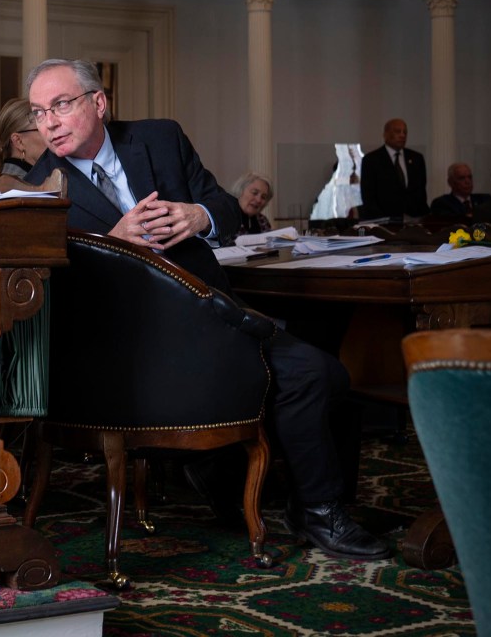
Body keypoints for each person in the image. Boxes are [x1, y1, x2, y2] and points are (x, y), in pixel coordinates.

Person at [22, 58, 389, 561]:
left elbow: (228, 207)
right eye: (40, 112)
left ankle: (261, 485)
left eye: (61, 105)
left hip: (214, 309)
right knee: (309, 374)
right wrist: (111, 244)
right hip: (135, 340)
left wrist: (198, 215)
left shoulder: (160, 138)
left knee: (329, 375)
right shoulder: (42, 187)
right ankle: (314, 509)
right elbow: (53, 287)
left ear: (98, 102)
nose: (50, 122)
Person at [359, 118, 429, 221]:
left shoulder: (416, 158)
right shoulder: (371, 160)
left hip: (413, 222)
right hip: (384, 222)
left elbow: (421, 192)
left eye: (405, 132)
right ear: (385, 134)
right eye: (397, 131)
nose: (402, 135)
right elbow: (368, 196)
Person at [0, 97, 47, 178]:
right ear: (18, 141)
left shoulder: (8, 179)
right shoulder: (24, 185)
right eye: (42, 130)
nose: (52, 135)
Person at [230, 172, 274, 241]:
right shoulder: (226, 217)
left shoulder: (262, 220)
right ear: (240, 191)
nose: (259, 200)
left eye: (263, 197)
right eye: (254, 193)